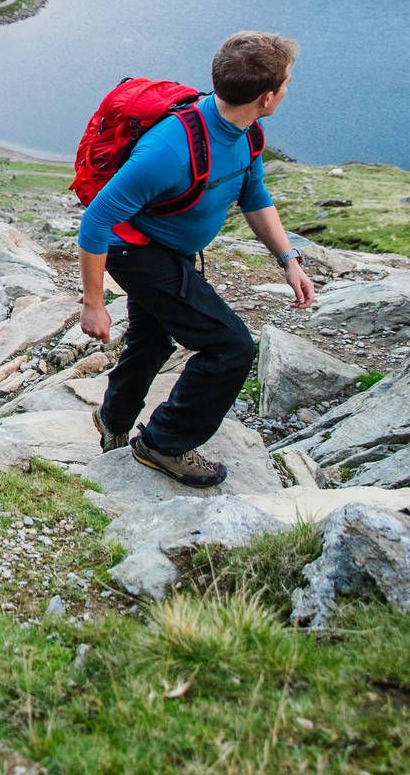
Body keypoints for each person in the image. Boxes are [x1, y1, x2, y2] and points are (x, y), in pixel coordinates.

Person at [76, 31, 315, 486]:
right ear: (267, 97)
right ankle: (165, 444)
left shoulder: (245, 130)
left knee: (153, 340)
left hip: (172, 251)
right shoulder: (169, 149)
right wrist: (93, 302)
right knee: (230, 347)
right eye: (286, 83)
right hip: (137, 251)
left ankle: (113, 421)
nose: (287, 90)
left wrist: (289, 259)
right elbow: (95, 223)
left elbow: (254, 193)